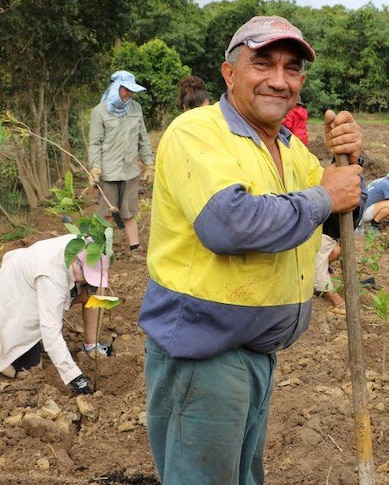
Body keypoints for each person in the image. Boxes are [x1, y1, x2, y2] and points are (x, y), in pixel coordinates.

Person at [137, 15, 364, 484]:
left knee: (243, 476)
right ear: (230, 72)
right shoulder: (196, 132)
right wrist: (326, 194)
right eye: (263, 64)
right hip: (205, 355)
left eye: (292, 69)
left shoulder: (290, 149)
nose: (279, 80)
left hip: (258, 352)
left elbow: (335, 223)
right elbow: (228, 225)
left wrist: (349, 172)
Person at [0, 234, 111, 395]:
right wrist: (75, 377)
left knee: (95, 292)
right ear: (75, 261)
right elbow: (50, 331)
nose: (87, 281)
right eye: (85, 276)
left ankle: (91, 345)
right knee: (31, 370)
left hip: (31, 275)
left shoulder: (84, 244)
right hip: (16, 296)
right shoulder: (51, 276)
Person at [88, 69, 155, 262]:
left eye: (131, 91)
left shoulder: (136, 109)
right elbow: (95, 142)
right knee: (108, 214)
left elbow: (143, 138)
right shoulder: (99, 112)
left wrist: (149, 164)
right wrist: (95, 167)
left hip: (130, 170)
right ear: (116, 88)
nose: (129, 94)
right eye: (125, 90)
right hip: (107, 172)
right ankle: (106, 252)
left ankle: (135, 249)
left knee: (129, 211)